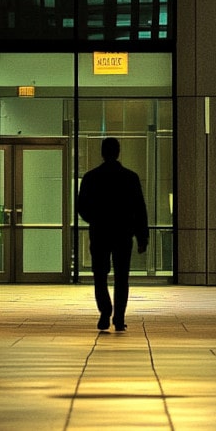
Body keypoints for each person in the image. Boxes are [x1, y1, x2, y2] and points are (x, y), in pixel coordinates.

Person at [77, 137, 148, 332]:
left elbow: (81, 207)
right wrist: (142, 237)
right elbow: (140, 209)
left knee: (100, 275)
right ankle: (119, 317)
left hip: (100, 232)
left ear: (102, 152)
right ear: (118, 153)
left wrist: (96, 219)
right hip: (123, 233)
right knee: (121, 277)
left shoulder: (91, 178)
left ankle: (105, 312)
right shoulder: (130, 177)